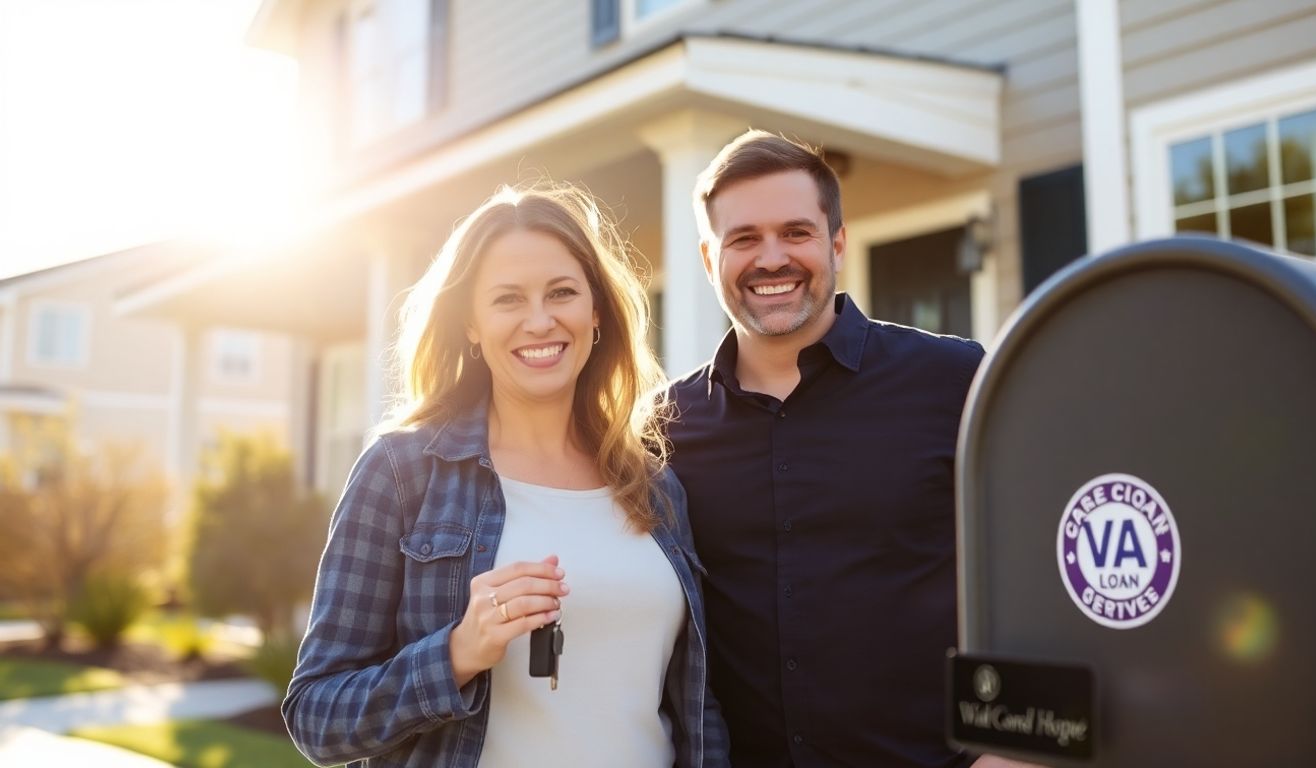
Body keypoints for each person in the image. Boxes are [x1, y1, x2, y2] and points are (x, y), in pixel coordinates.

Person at [284, 183, 728, 767]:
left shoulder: (654, 487)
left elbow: (698, 708)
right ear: (470, 324)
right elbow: (317, 718)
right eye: (508, 299)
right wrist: (458, 653)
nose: (539, 321)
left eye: (562, 292)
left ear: (596, 312)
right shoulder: (402, 473)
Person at [666, 130, 996, 767]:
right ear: (710, 260)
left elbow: (1040, 573)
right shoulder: (666, 429)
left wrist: (1018, 751)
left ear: (836, 242)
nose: (771, 259)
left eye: (796, 232)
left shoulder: (956, 383)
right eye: (743, 239)